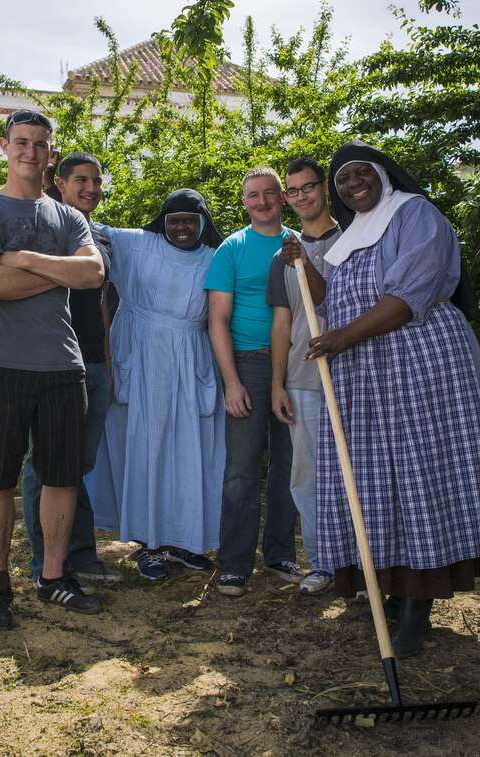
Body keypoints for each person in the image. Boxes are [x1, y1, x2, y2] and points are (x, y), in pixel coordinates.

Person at [291, 140, 480, 657]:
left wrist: (341, 338)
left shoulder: (415, 215)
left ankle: (420, 603)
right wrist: (306, 267)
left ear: (384, 175)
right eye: (344, 179)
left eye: (360, 173)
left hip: (417, 363)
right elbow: (338, 299)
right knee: (374, 476)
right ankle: (388, 588)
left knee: (418, 472)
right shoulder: (351, 236)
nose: (352, 184)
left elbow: (407, 297)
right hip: (366, 373)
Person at [0, 110, 106, 629]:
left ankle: (53, 578)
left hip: (62, 366)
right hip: (1, 364)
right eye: (22, 142)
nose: (31, 152)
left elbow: (94, 272)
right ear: (4, 146)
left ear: (50, 153)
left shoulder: (68, 217)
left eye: (41, 144)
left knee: (61, 476)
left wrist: (23, 258)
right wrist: (58, 272)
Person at [87, 190, 226, 580]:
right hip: (138, 357)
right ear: (161, 221)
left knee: (190, 452)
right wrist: (52, 184)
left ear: (203, 224)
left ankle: (184, 542)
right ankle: (147, 545)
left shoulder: (216, 258)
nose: (181, 227)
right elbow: (84, 226)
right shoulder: (135, 244)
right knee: (145, 450)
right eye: (174, 220)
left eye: (190, 221)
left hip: (191, 361)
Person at [19, 152, 120, 591]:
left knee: (77, 464)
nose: (91, 188)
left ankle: (77, 555)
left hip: (93, 363)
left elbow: (103, 304)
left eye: (97, 181)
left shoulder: (101, 237)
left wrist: (108, 362)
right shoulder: (43, 228)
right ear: (59, 183)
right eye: (80, 179)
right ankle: (46, 561)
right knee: (43, 464)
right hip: (49, 362)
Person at [206, 166, 302, 597]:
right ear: (243, 202)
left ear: (283, 198)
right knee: (241, 471)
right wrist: (232, 382)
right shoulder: (232, 248)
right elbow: (217, 320)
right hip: (246, 364)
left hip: (297, 364)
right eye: (252, 195)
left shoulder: (298, 245)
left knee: (289, 464)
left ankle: (281, 553)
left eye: (269, 193)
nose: (261, 201)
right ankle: (234, 564)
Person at [267, 157, 340, 596]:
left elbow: (330, 300)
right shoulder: (283, 255)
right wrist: (277, 383)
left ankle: (364, 559)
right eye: (291, 191)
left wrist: (306, 263)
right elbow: (282, 321)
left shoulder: (354, 241)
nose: (299, 197)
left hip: (355, 373)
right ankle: (323, 562)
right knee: (306, 473)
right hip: (302, 376)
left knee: (360, 469)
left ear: (324, 187)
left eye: (306, 187)